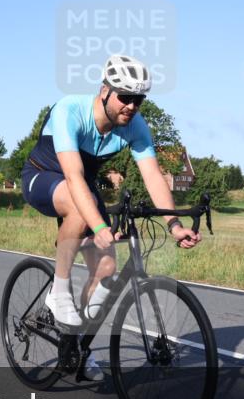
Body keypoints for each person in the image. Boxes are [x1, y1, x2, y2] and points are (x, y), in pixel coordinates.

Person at [21, 55, 201, 381]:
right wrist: (101, 226)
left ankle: (75, 348)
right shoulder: (69, 110)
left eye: (139, 99)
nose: (132, 105)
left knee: (106, 269)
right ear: (105, 90)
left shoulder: (135, 127)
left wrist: (174, 225)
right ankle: (59, 292)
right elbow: (73, 177)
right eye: (125, 96)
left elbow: (154, 176)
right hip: (42, 176)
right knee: (81, 205)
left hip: (83, 189)